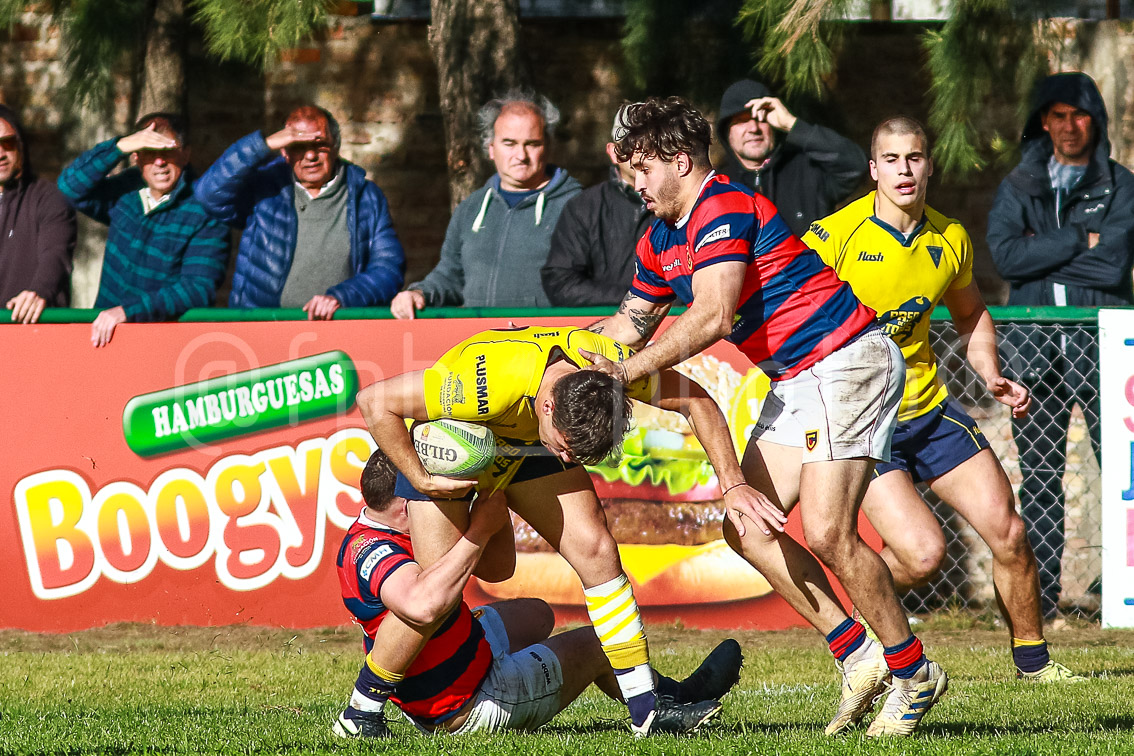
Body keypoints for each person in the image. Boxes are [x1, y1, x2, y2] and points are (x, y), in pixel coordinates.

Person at [585, 97, 945, 738]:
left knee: (829, 532)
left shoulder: (722, 205)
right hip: (798, 378)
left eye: (643, 168)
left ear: (681, 161)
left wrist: (625, 371)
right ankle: (858, 656)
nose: (635, 181)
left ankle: (913, 672)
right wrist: (556, 354)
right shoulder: (658, 238)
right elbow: (626, 326)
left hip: (847, 359)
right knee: (746, 526)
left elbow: (714, 314)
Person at [348, 325, 768, 736]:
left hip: (527, 441)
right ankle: (362, 708)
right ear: (548, 407)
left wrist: (732, 484)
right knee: (438, 595)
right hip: (459, 444)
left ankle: (647, 708)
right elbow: (374, 401)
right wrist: (420, 479)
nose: (569, 460)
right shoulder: (483, 383)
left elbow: (696, 400)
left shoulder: (606, 368)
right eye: (567, 449)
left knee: (592, 550)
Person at [804, 116, 1084, 684]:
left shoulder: (949, 238)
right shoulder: (833, 237)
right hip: (866, 426)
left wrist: (992, 374)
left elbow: (971, 313)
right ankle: (860, 638)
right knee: (922, 556)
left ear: (929, 165)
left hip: (930, 413)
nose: (904, 170)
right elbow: (793, 317)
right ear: (873, 169)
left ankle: (1034, 665)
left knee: (1009, 533)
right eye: (891, 159)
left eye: (914, 157)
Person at [333, 448, 742, 738]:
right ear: (407, 506)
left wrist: (491, 492)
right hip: (462, 705)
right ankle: (669, 700)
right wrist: (480, 530)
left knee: (538, 615)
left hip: (447, 667)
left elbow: (499, 570)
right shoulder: (373, 550)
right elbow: (422, 607)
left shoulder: (384, 531)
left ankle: (501, 664)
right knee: (598, 644)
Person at [987, 72, 1134, 620]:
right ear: (1043, 123)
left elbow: (1113, 265)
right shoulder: (1018, 186)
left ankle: (1122, 591)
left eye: (1080, 115)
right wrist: (1077, 238)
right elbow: (1007, 258)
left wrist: (1040, 251)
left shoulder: (1121, 186)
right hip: (1034, 351)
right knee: (1041, 480)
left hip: (1105, 351)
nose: (1070, 126)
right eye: (1058, 116)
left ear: (1095, 120)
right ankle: (1040, 600)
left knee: (1124, 471)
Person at [194, 105, 404, 319]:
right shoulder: (265, 188)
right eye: (299, 147)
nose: (310, 155)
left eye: (319, 145)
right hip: (263, 326)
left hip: (338, 325)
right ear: (284, 152)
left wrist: (343, 297)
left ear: (335, 146)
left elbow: (388, 268)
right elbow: (208, 195)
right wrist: (263, 145)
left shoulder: (366, 196)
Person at [390, 91, 581, 318]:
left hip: (545, 337)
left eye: (532, 144)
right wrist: (418, 293)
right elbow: (450, 276)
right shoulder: (470, 208)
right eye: (509, 143)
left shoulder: (578, 207)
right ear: (491, 148)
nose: (521, 155)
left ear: (547, 147)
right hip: (480, 336)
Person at [57, 113, 228, 347]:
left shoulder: (204, 209)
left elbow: (198, 288)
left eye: (168, 151)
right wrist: (119, 147)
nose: (160, 162)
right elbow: (69, 187)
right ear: (136, 157)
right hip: (105, 337)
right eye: (149, 151)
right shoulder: (126, 192)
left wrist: (128, 311)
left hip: (164, 343)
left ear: (186, 154)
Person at [715, 79, 866, 238]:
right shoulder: (718, 187)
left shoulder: (808, 170)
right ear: (726, 132)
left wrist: (792, 125)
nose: (754, 128)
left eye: (762, 118)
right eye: (742, 120)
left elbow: (855, 165)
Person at [540, 105, 653, 305]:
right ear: (613, 152)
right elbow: (560, 282)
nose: (640, 151)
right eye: (630, 142)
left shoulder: (685, 205)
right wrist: (638, 301)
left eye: (650, 142)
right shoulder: (583, 208)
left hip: (675, 321)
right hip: (604, 323)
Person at [0, 104, 76, 324]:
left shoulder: (49, 198)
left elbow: (56, 255)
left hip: (32, 329)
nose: (1, 154)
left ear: (20, 145)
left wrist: (40, 291)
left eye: (7, 143)